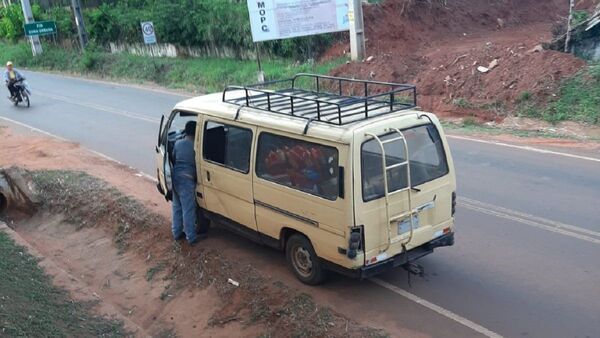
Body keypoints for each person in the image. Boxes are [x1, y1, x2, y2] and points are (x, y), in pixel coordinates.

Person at [171, 121, 204, 246]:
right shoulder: (196, 146)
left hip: (175, 178)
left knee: (177, 207)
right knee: (188, 209)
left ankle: (176, 233)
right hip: (187, 180)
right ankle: (191, 237)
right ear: (196, 132)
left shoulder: (178, 143)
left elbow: (174, 158)